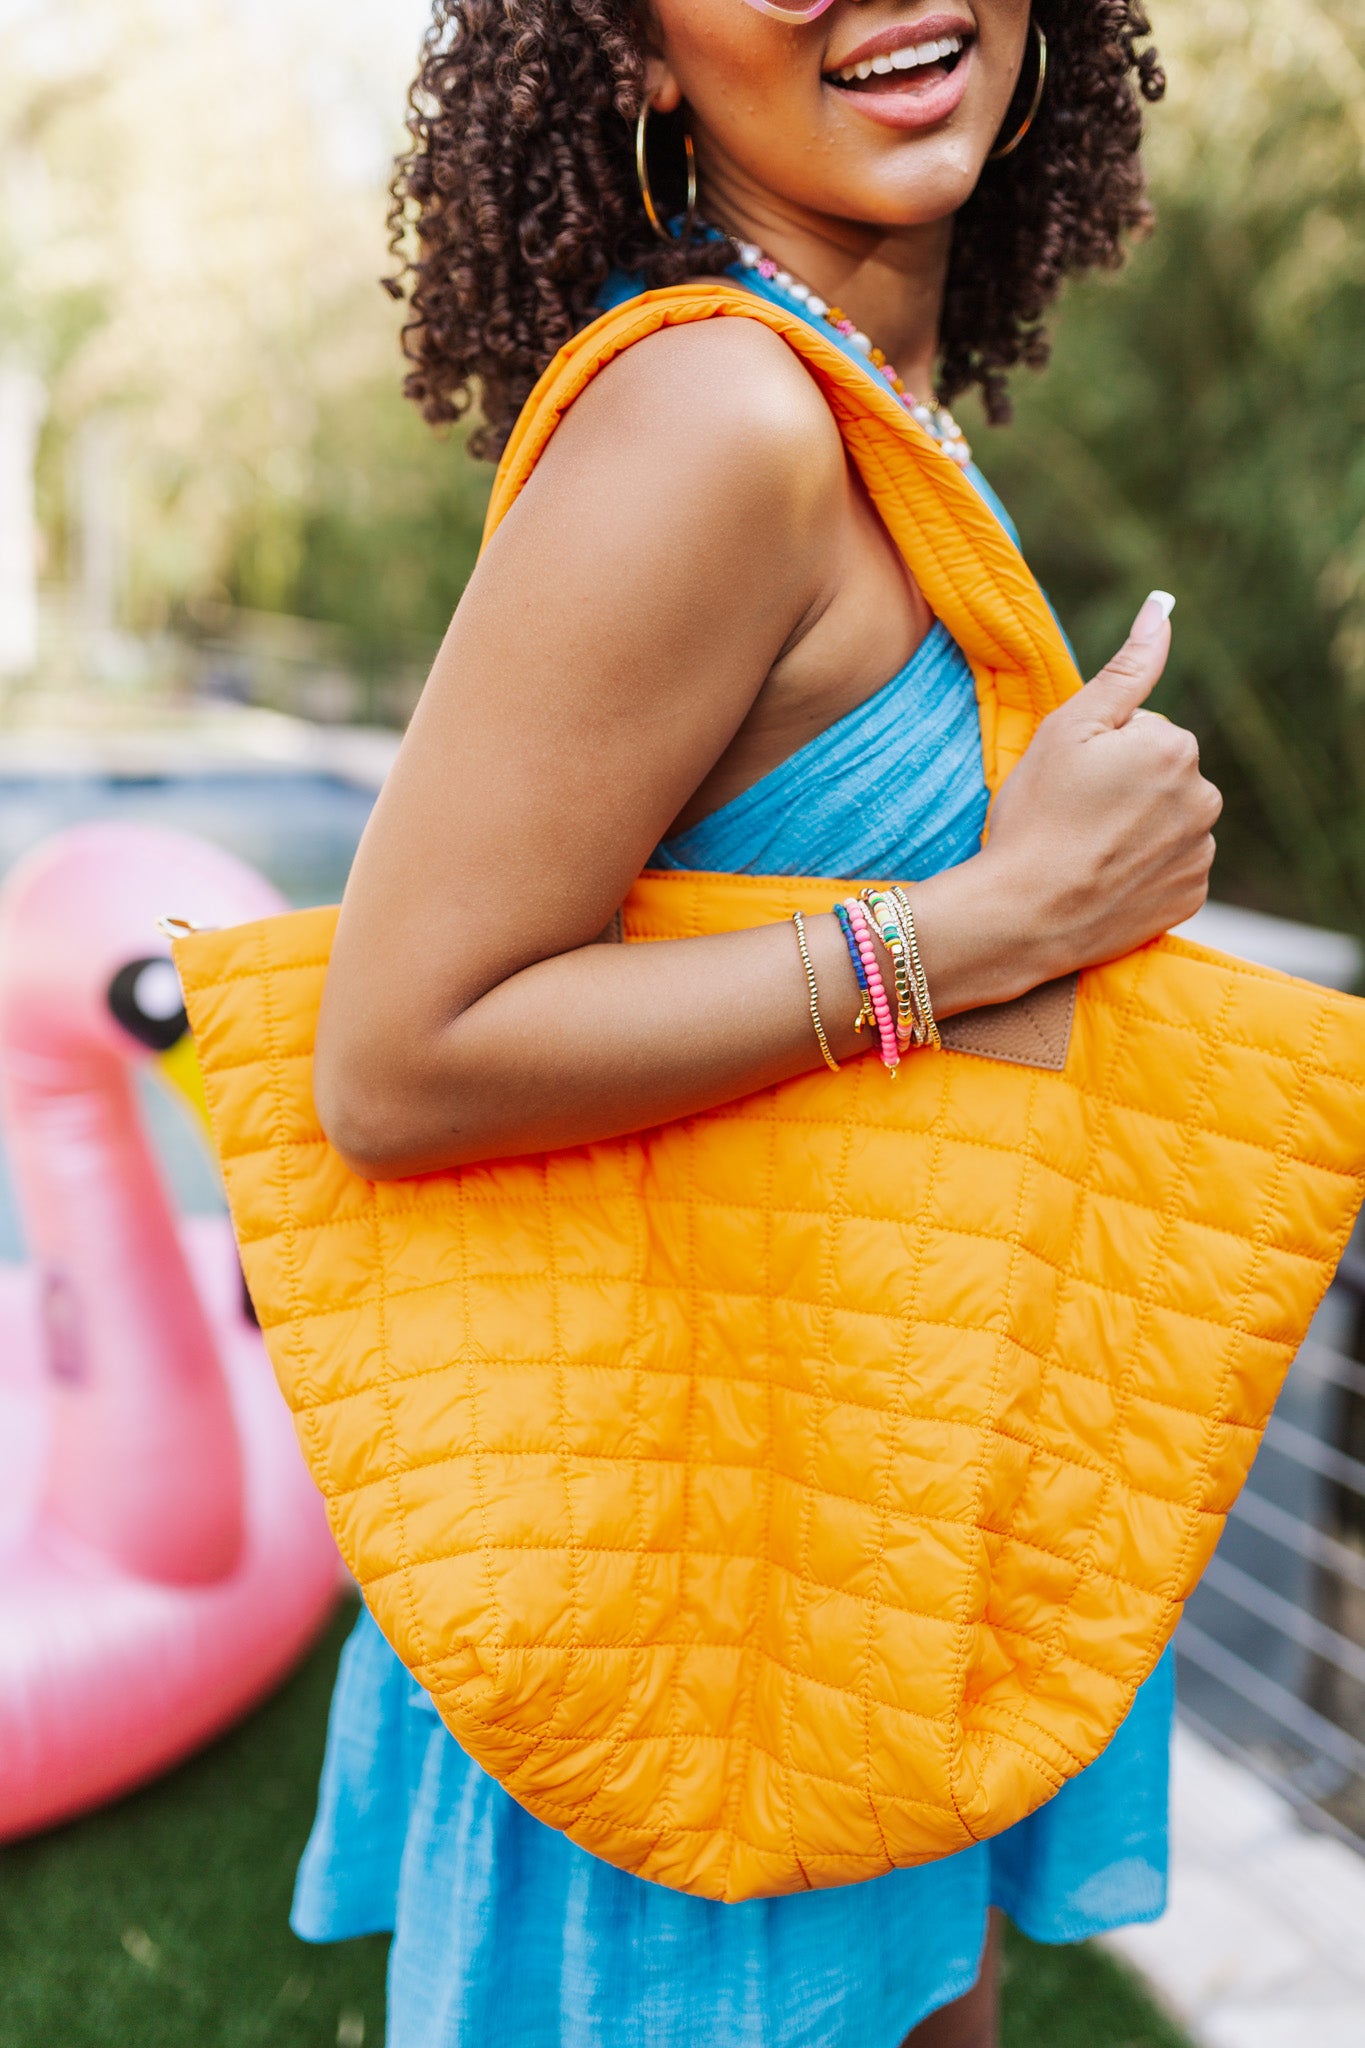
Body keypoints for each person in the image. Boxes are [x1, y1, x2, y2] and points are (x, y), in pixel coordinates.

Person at [292, 0, 1221, 2040]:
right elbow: (393, 1057)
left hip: (837, 1526)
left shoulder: (855, 406)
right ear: (631, 51)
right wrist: (977, 928)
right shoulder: (718, 418)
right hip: (696, 1593)